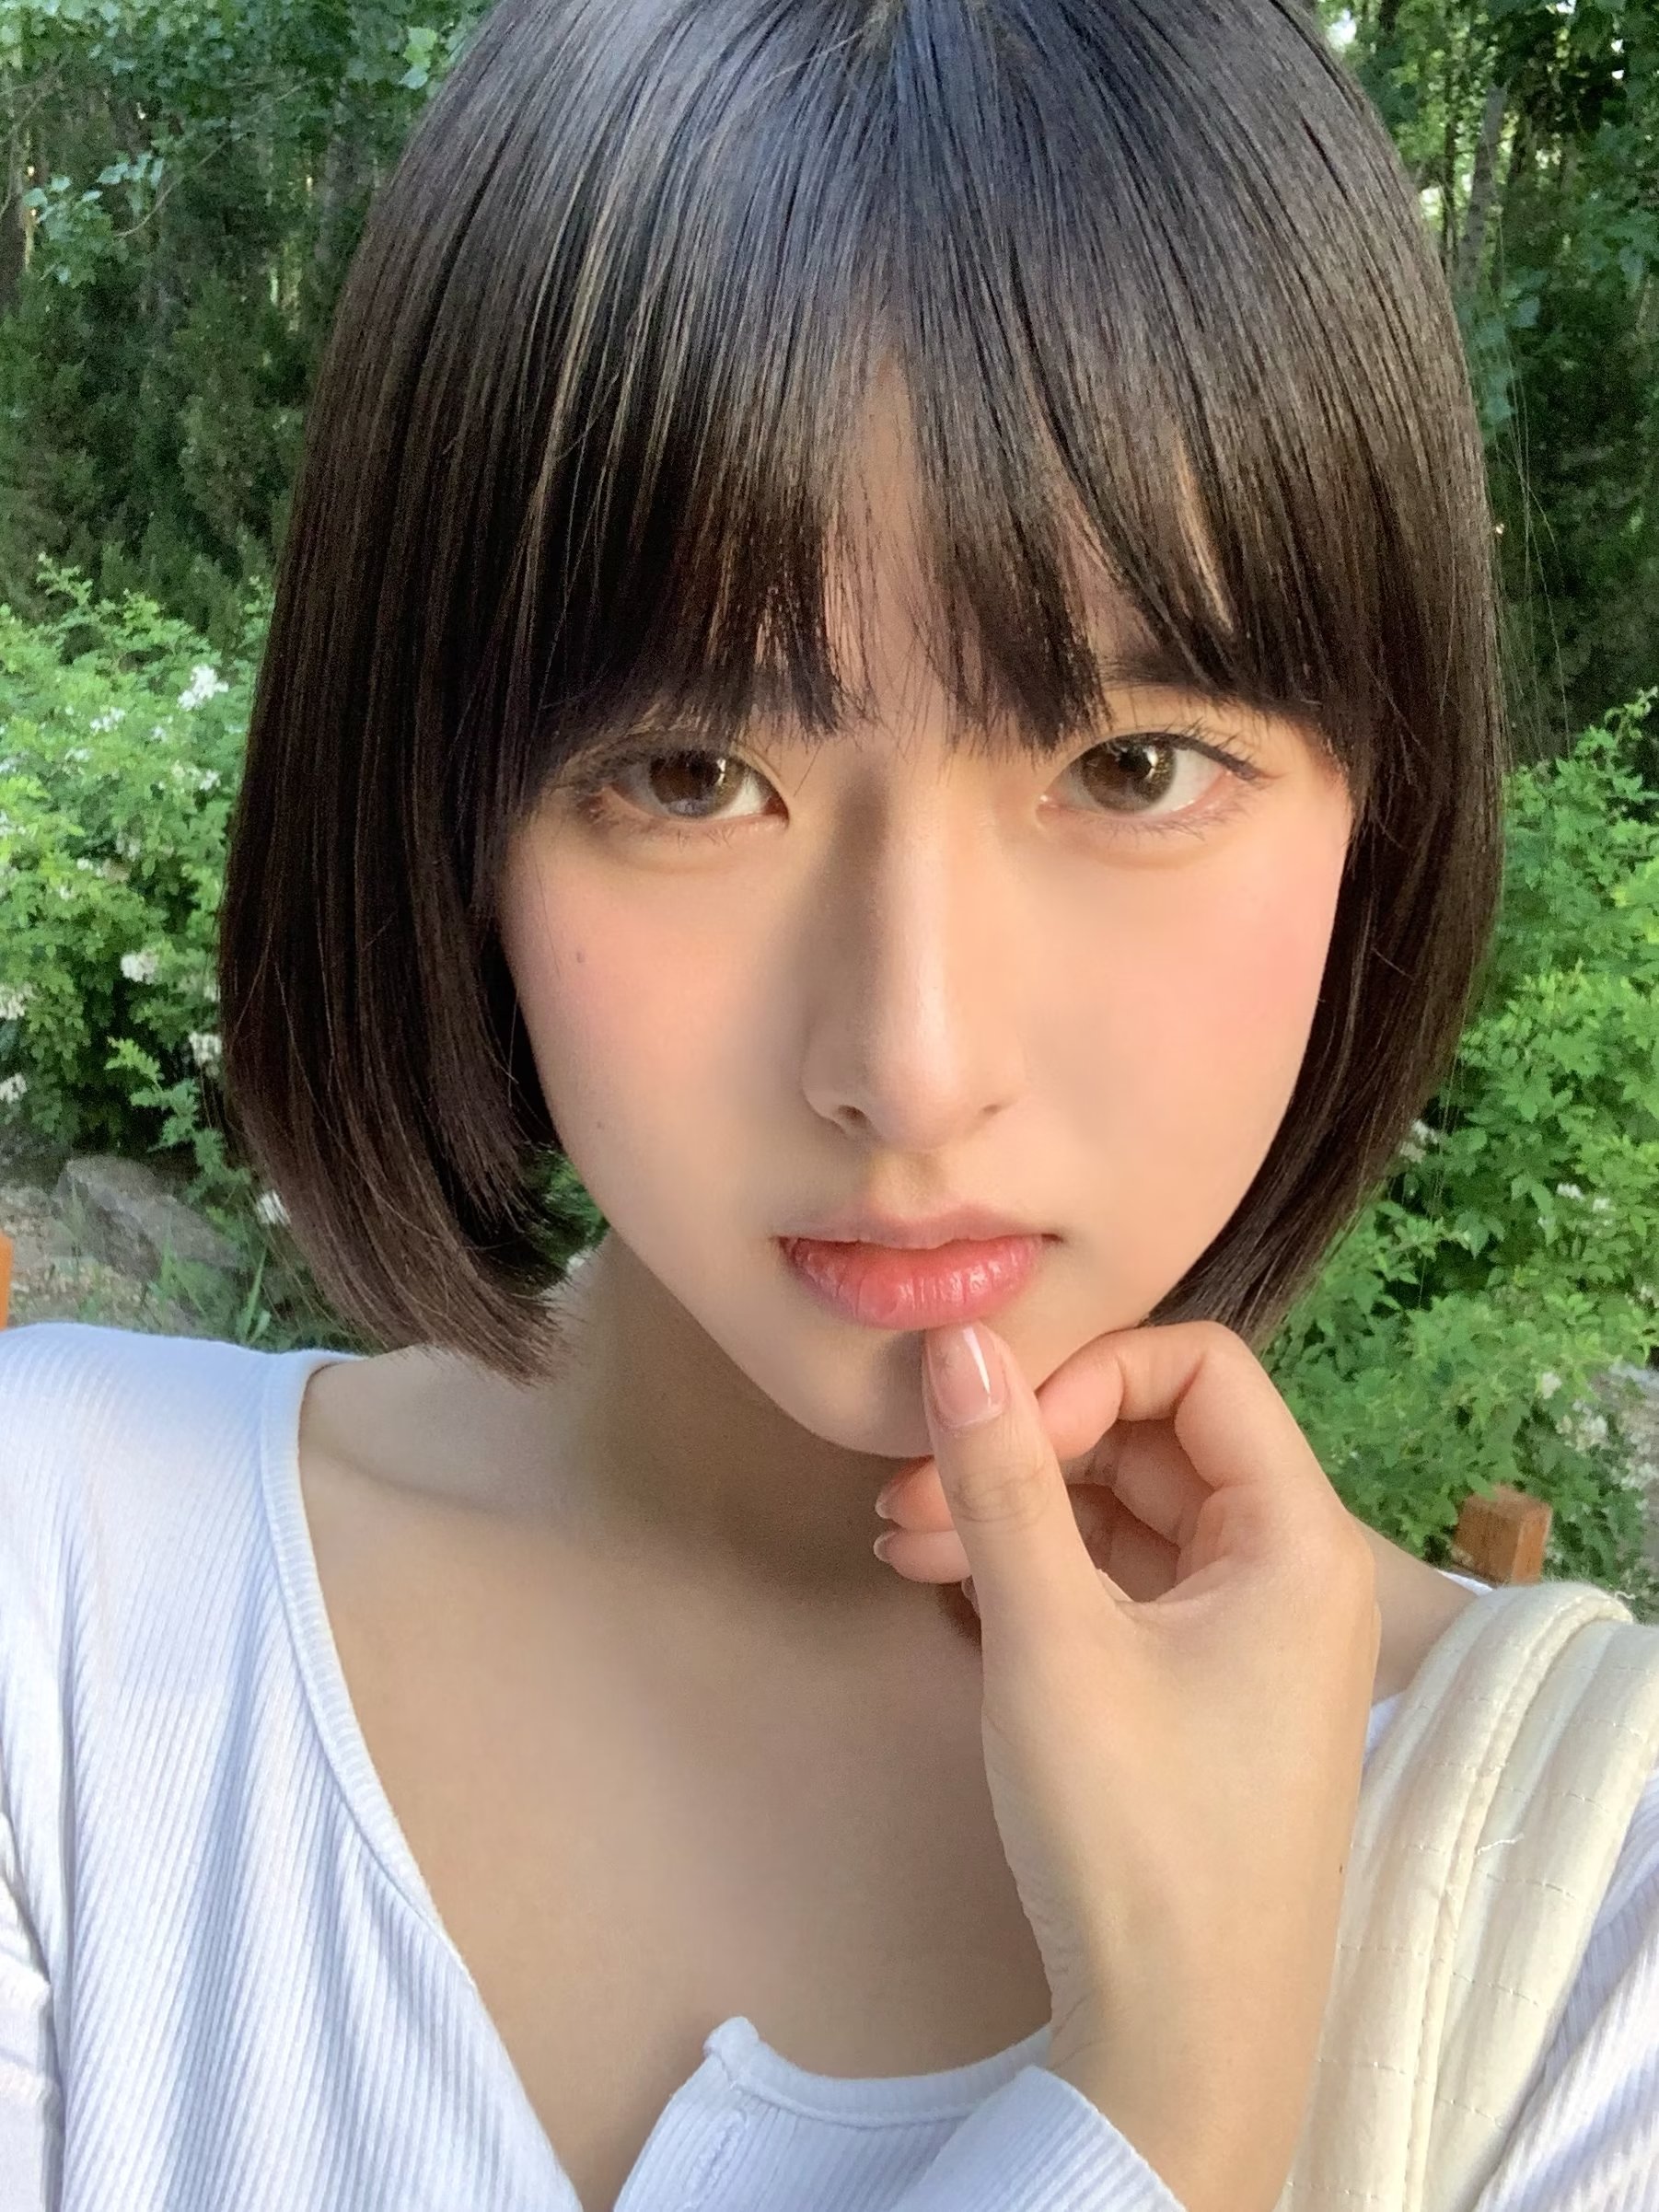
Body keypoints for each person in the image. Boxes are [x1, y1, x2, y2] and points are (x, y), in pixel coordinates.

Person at [2, 1, 1657, 2206]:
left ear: (1388, 808)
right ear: (445, 811)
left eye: (1130, 765)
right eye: (693, 774)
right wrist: (1168, 2093)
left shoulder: (1588, 1918)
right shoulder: (60, 1609)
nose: (912, 1059)